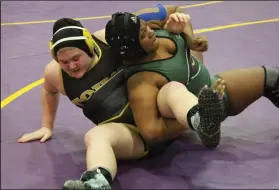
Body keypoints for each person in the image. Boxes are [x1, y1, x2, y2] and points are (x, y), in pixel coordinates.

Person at [17, 5, 212, 189]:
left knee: (172, 89)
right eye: (64, 62)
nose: (71, 66)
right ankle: (97, 181)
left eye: (76, 58)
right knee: (95, 136)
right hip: (133, 137)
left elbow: (169, 11)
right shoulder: (54, 73)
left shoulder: (109, 37)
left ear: (89, 46)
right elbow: (48, 90)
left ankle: (202, 117)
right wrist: (46, 126)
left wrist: (181, 30)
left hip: (160, 113)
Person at [105, 8, 279, 152]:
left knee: (277, 79)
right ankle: (202, 119)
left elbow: (178, 10)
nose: (150, 31)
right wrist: (197, 118)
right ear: (131, 48)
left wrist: (189, 38)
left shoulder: (151, 32)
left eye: (145, 26)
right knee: (273, 79)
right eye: (142, 34)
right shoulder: (142, 82)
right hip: (208, 101)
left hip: (200, 74)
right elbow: (151, 131)